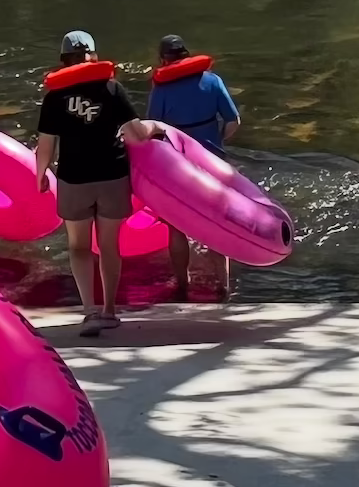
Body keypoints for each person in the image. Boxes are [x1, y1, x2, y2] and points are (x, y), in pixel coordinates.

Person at [34, 29, 137, 335]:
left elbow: (47, 144)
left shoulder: (55, 97)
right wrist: (157, 134)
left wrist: (41, 174)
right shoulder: (112, 88)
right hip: (113, 174)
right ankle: (109, 310)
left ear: (64, 60)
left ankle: (90, 311)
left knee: (79, 247)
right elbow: (135, 132)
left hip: (74, 177)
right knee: (108, 246)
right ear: (93, 55)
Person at [146, 33, 243, 298]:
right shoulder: (212, 81)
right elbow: (233, 121)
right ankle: (222, 285)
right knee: (217, 224)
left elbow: (153, 130)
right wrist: (217, 142)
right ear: (186, 54)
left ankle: (182, 284)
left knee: (175, 227)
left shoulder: (161, 89)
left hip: (177, 167)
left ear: (163, 59)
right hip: (213, 163)